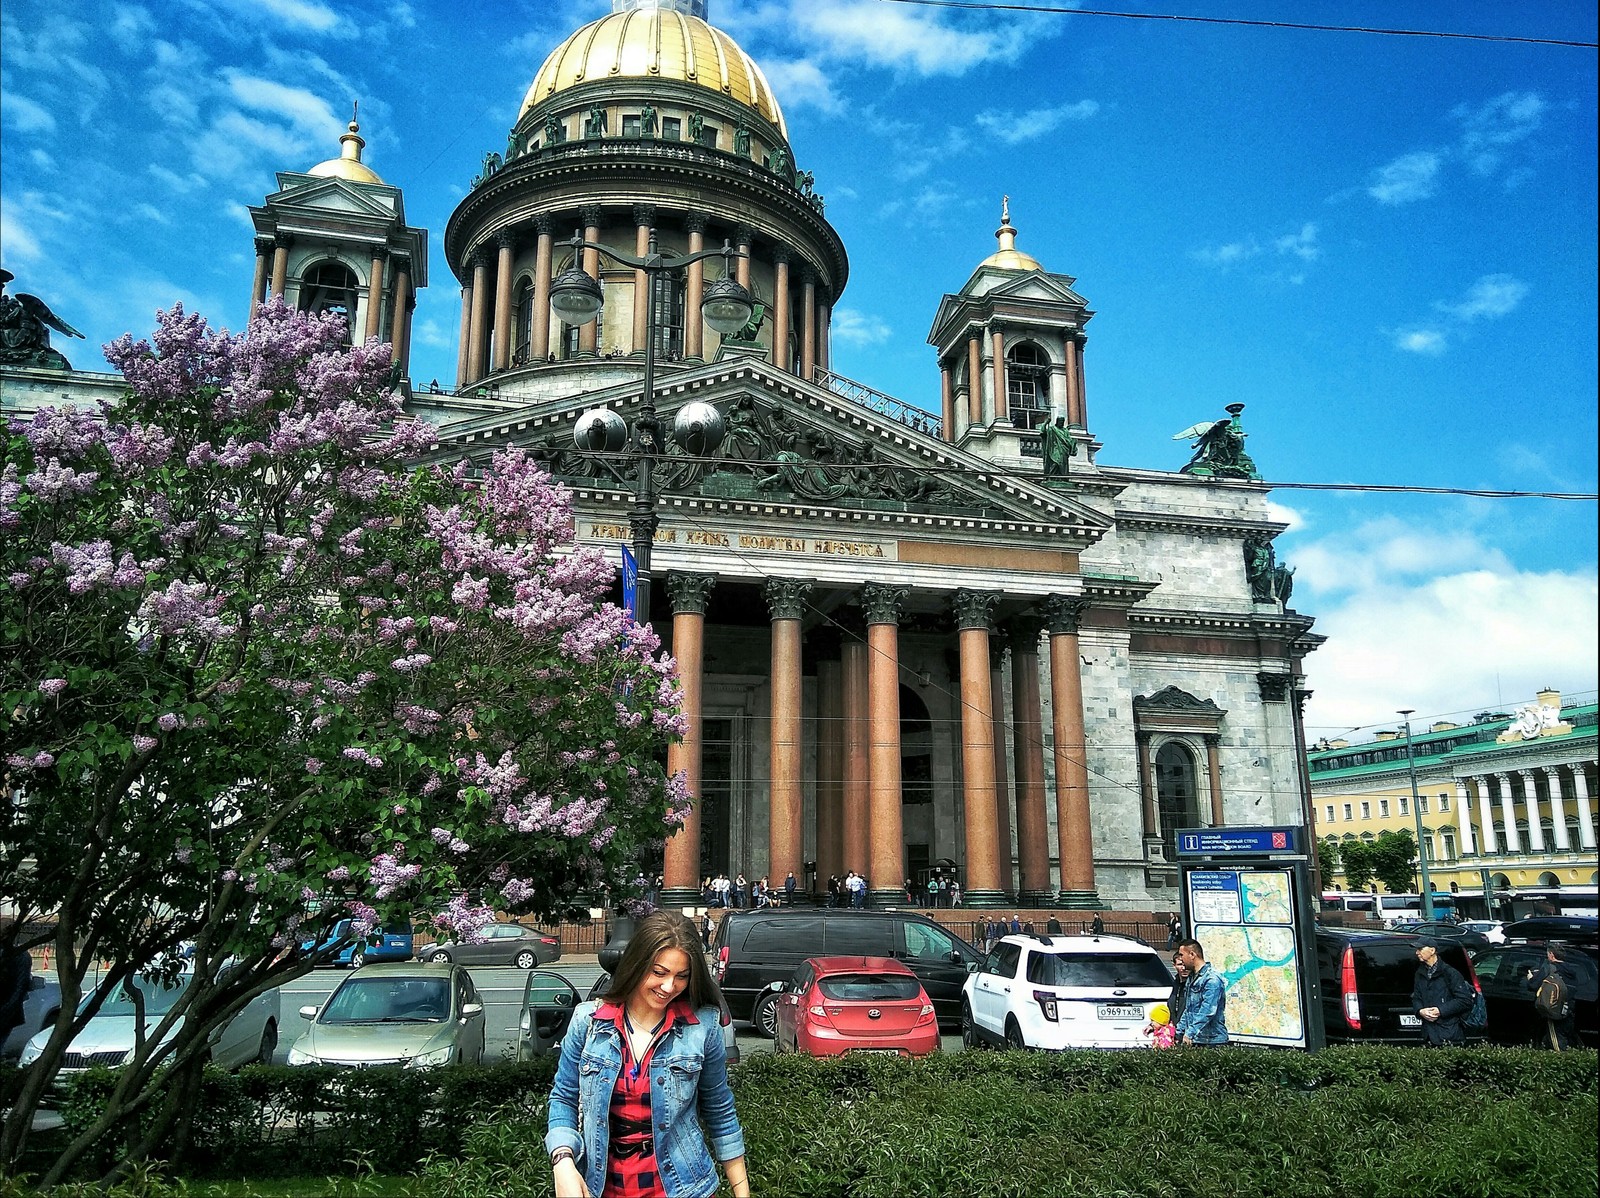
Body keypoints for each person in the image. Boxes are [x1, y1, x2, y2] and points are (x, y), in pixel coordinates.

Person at [548, 911, 750, 1198]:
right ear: (637, 964)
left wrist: (742, 1192)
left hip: (683, 1188)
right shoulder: (588, 1023)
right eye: (659, 972)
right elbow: (563, 1097)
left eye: (682, 976)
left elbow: (720, 1110)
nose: (669, 987)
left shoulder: (702, 1028)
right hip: (603, 1186)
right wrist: (563, 1160)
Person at [1409, 938, 1474, 1048]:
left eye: (1420, 949)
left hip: (1450, 1035)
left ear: (1432, 950)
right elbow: (1416, 997)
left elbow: (1465, 1000)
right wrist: (1420, 1011)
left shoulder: (1450, 973)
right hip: (1428, 1035)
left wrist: (1440, 1010)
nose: (1417, 952)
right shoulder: (1420, 973)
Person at [1172, 938, 1228, 1045]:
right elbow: (1189, 1009)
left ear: (1192, 955)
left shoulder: (1212, 979)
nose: (1180, 959)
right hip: (1196, 1039)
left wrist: (1190, 1033)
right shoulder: (1192, 977)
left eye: (1182, 955)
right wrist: (1178, 1032)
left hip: (1212, 1041)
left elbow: (1207, 1011)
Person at [1528, 943, 1578, 1051]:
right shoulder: (1571, 970)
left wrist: (1531, 978)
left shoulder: (1550, 968)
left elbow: (1533, 985)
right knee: (1563, 1039)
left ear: (1551, 955)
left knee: (1557, 1045)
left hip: (1554, 1010)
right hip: (1568, 1009)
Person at [1165, 950, 1189, 1031]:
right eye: (1180, 965)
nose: (1184, 968)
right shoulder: (1175, 983)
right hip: (1176, 1030)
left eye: (1185, 964)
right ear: (1174, 966)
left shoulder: (1194, 984)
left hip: (1188, 1032)